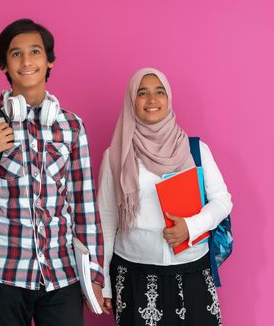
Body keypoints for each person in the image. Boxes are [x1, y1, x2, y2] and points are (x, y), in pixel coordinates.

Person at [0, 18, 106, 326]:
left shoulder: (71, 126)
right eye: (16, 54)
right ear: (4, 65)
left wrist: (94, 273)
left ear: (49, 61)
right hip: (0, 273)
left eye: (35, 52)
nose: (27, 61)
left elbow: (85, 207)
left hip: (62, 274)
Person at [98, 67, 232, 325]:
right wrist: (103, 282)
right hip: (135, 274)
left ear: (168, 98)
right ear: (131, 101)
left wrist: (191, 227)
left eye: (159, 92)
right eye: (142, 93)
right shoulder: (115, 156)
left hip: (192, 271)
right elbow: (106, 219)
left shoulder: (195, 150)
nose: (152, 99)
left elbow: (222, 200)